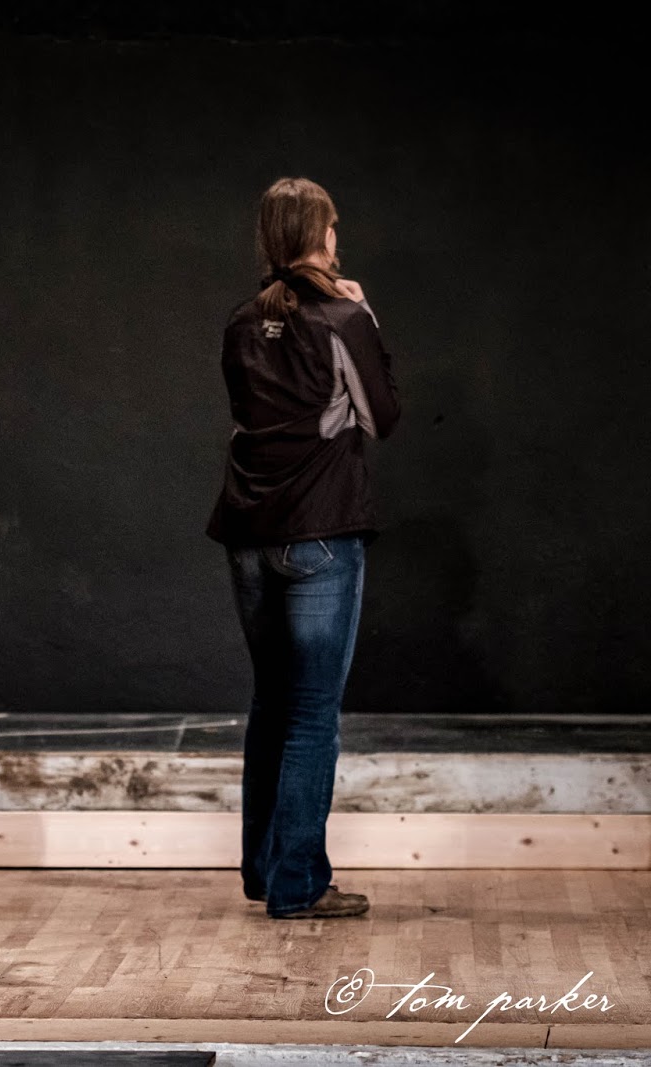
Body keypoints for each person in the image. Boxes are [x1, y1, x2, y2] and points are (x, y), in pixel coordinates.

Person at [206, 176, 401, 921]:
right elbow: (382, 418)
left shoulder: (240, 322)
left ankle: (266, 873)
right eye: (333, 227)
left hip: (249, 537)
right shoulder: (343, 316)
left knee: (273, 702)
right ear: (321, 235)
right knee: (313, 713)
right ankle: (297, 886)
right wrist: (366, 314)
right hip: (320, 534)